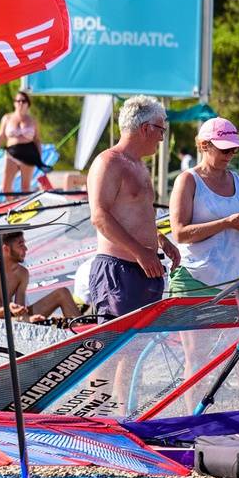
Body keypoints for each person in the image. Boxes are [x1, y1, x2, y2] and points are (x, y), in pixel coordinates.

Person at [86, 95, 179, 320]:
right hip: (119, 270)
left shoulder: (138, 166)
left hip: (144, 268)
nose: (161, 137)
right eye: (161, 130)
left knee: (141, 349)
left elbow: (134, 216)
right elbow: (99, 217)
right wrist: (140, 253)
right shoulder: (109, 162)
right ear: (146, 128)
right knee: (119, 352)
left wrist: (160, 240)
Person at [167, 117, 239, 295]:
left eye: (235, 149)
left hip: (233, 283)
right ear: (204, 145)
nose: (231, 154)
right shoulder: (188, 180)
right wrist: (226, 223)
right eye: (225, 149)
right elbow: (179, 234)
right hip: (193, 281)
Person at [0, 231, 81, 323]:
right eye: (21, 245)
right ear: (6, 249)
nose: (26, 249)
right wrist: (8, 310)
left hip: (14, 319)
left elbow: (21, 310)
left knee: (62, 293)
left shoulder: (22, 273)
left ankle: (85, 334)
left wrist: (27, 319)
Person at [0, 91, 41, 196]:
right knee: (5, 187)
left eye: (23, 101)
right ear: (14, 103)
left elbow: (37, 140)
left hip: (28, 153)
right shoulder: (7, 118)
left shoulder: (32, 120)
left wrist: (39, 157)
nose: (20, 103)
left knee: (25, 187)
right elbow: (0, 136)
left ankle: (25, 209)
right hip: (12, 153)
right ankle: (12, 206)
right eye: (18, 101)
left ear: (28, 104)